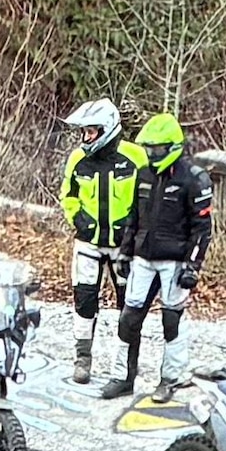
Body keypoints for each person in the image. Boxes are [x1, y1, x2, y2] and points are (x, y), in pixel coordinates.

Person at [105, 110, 211, 398]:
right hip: (143, 257)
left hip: (174, 261)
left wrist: (193, 266)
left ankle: (171, 378)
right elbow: (133, 216)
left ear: (172, 147)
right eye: (149, 148)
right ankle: (123, 376)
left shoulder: (194, 179)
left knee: (171, 319)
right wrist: (125, 252)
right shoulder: (143, 174)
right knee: (129, 317)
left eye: (158, 149)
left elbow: (202, 227)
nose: (152, 154)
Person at [57, 97, 134, 385]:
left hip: (122, 245)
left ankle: (125, 362)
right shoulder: (78, 159)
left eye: (91, 132)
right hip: (87, 242)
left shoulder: (134, 157)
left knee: (129, 306)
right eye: (84, 132)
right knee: (84, 300)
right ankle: (82, 358)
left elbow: (147, 194)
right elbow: (68, 194)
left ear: (107, 128)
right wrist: (77, 219)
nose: (86, 137)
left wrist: (135, 227)